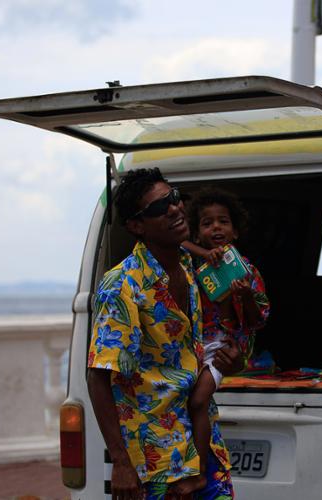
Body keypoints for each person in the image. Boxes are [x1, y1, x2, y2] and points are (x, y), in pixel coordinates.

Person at [86, 168, 240, 500]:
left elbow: (187, 358)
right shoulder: (122, 286)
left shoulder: (187, 265)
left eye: (173, 197)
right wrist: (122, 464)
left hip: (203, 451)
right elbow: (98, 377)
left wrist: (227, 363)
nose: (173, 208)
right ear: (136, 226)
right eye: (158, 208)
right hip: (155, 464)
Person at [181, 187, 270, 488]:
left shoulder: (246, 271)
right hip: (198, 347)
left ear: (235, 230)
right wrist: (205, 254)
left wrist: (244, 297)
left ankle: (200, 470)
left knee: (198, 401)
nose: (216, 227)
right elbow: (175, 239)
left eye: (223, 221)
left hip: (226, 347)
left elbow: (258, 320)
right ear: (197, 232)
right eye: (207, 223)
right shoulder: (193, 267)